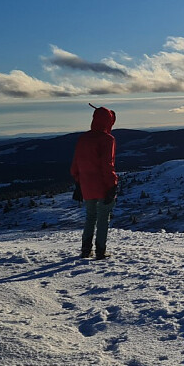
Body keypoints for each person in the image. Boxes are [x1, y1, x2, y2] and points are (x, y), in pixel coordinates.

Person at [70, 105, 118, 259]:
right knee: (103, 217)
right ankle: (100, 251)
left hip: (86, 185)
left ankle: (85, 250)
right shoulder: (107, 139)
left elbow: (76, 163)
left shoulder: (83, 138)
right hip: (102, 185)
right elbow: (107, 164)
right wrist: (112, 185)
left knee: (90, 216)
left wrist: (78, 183)